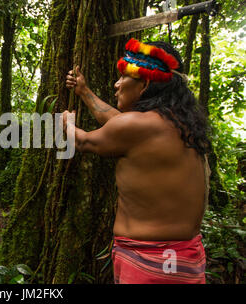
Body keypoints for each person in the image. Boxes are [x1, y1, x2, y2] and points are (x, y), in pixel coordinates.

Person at [63, 39, 210, 284]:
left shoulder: (136, 127)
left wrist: (66, 123)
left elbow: (84, 142)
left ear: (146, 83)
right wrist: (84, 92)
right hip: (186, 259)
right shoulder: (180, 125)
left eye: (123, 77)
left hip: (148, 263)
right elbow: (117, 121)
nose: (116, 83)